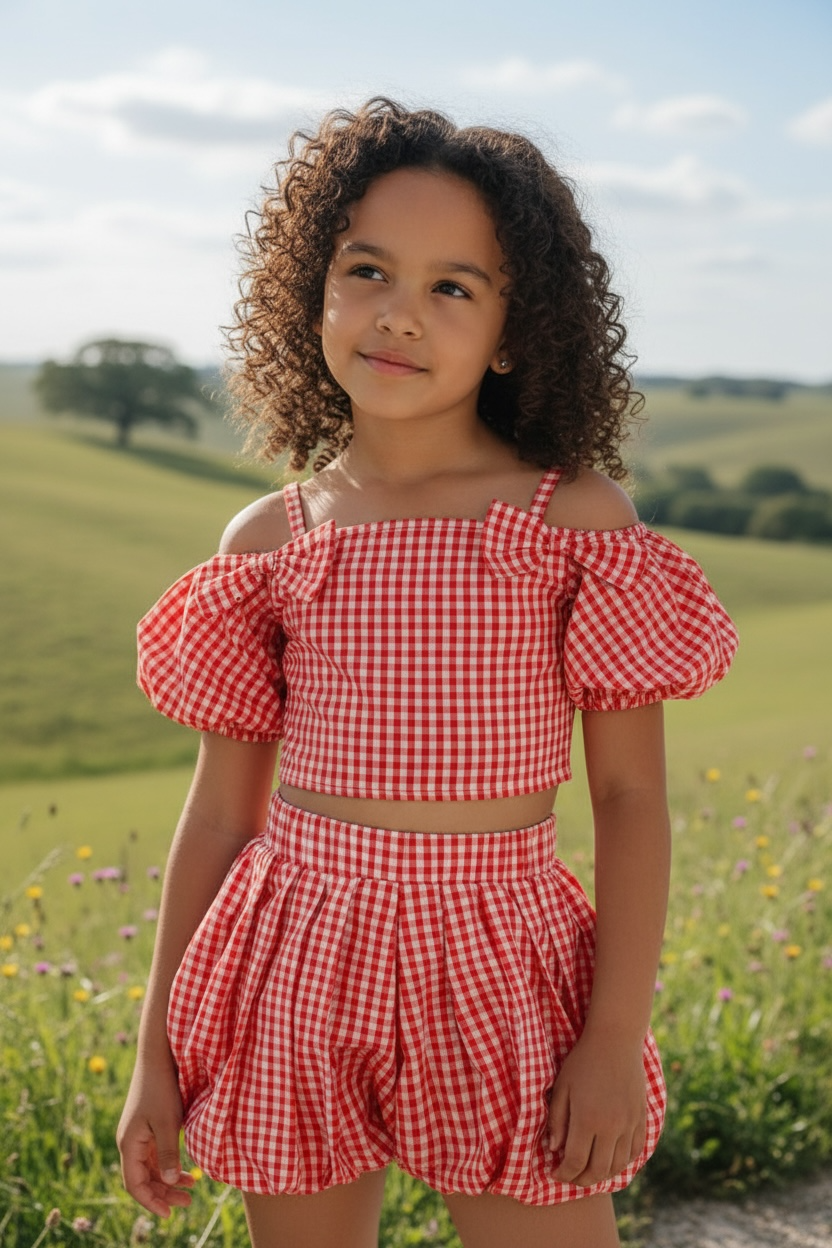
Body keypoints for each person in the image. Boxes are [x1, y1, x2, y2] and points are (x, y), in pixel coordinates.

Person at [117, 98, 738, 1248]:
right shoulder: (270, 542)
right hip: (293, 954)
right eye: (366, 269)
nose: (399, 314)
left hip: (497, 960)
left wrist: (610, 1038)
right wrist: (154, 1054)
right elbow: (215, 818)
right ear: (313, 288)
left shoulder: (572, 521)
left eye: (453, 285)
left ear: (514, 328)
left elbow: (630, 799)